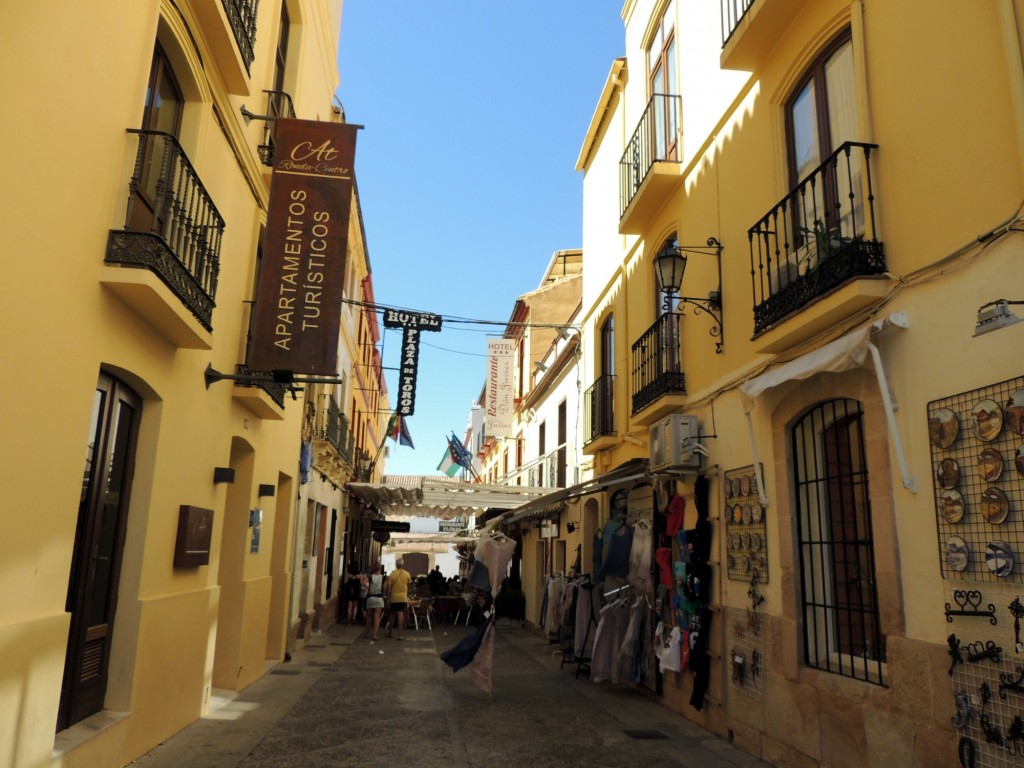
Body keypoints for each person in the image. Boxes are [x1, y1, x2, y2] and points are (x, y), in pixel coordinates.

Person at [385, 558, 412, 640]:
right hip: (403, 597)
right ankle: (400, 635)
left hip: (394, 597)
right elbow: (409, 586)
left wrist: (388, 598)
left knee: (392, 615)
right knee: (400, 616)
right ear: (402, 565)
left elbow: (389, 587)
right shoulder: (407, 574)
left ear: (396, 565)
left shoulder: (392, 575)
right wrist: (407, 594)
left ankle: (390, 633)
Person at [363, 562, 386, 643]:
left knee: (369, 617)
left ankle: (367, 633)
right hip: (379, 598)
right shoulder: (383, 578)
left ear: (373, 568)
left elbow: (363, 582)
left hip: (370, 598)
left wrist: (368, 587)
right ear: (380, 568)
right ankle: (375, 635)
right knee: (377, 617)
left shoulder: (370, 577)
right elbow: (385, 587)